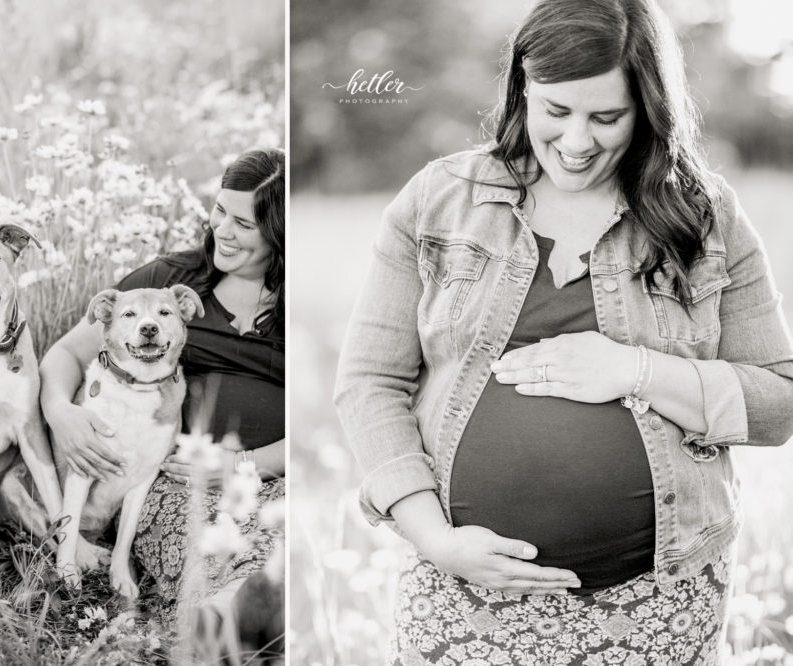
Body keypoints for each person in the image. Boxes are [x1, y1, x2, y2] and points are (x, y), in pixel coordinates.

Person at [333, 1, 793, 663]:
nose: (577, 143)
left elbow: (777, 404)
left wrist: (635, 371)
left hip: (656, 604)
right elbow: (369, 382)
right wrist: (434, 538)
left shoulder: (706, 217)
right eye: (556, 110)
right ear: (523, 87)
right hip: (461, 592)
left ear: (648, 107)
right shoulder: (439, 200)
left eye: (606, 117)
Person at [39, 148, 285, 645]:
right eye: (220, 212)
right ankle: (225, 625)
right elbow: (64, 355)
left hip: (275, 476)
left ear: (280, 233)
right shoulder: (169, 281)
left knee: (287, 541)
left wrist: (245, 464)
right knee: (217, 558)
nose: (222, 230)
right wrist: (60, 411)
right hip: (171, 480)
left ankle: (273, 621)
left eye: (244, 223)